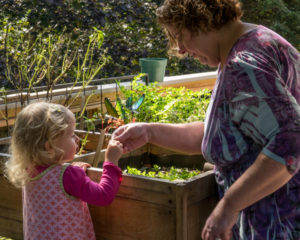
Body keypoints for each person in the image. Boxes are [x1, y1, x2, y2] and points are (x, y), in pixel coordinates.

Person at [112, 0, 300, 239]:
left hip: (277, 223)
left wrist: (229, 205)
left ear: (203, 19)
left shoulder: (243, 65)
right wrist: (149, 132)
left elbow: (291, 141)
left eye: (180, 35)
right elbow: (224, 134)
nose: (179, 48)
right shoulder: (260, 40)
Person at [4, 102, 123, 240]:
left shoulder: (28, 169)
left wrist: (75, 170)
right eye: (71, 135)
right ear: (50, 147)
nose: (78, 139)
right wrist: (111, 161)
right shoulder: (68, 175)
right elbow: (103, 195)